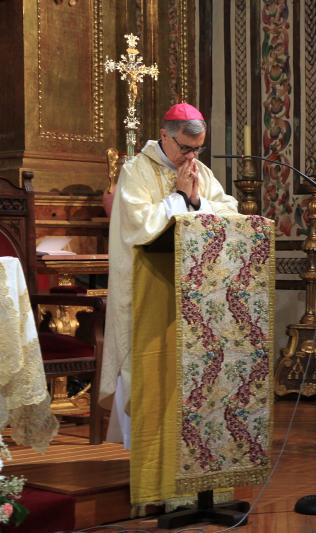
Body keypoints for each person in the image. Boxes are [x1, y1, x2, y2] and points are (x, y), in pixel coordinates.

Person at [99, 103, 238, 446]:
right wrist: (178, 195)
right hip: (147, 284)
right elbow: (140, 227)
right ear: (165, 136)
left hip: (192, 289)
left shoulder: (200, 172)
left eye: (198, 148)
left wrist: (195, 202)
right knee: (146, 368)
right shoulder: (135, 172)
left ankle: (187, 441)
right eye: (186, 147)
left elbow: (229, 211)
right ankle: (145, 446)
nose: (191, 156)